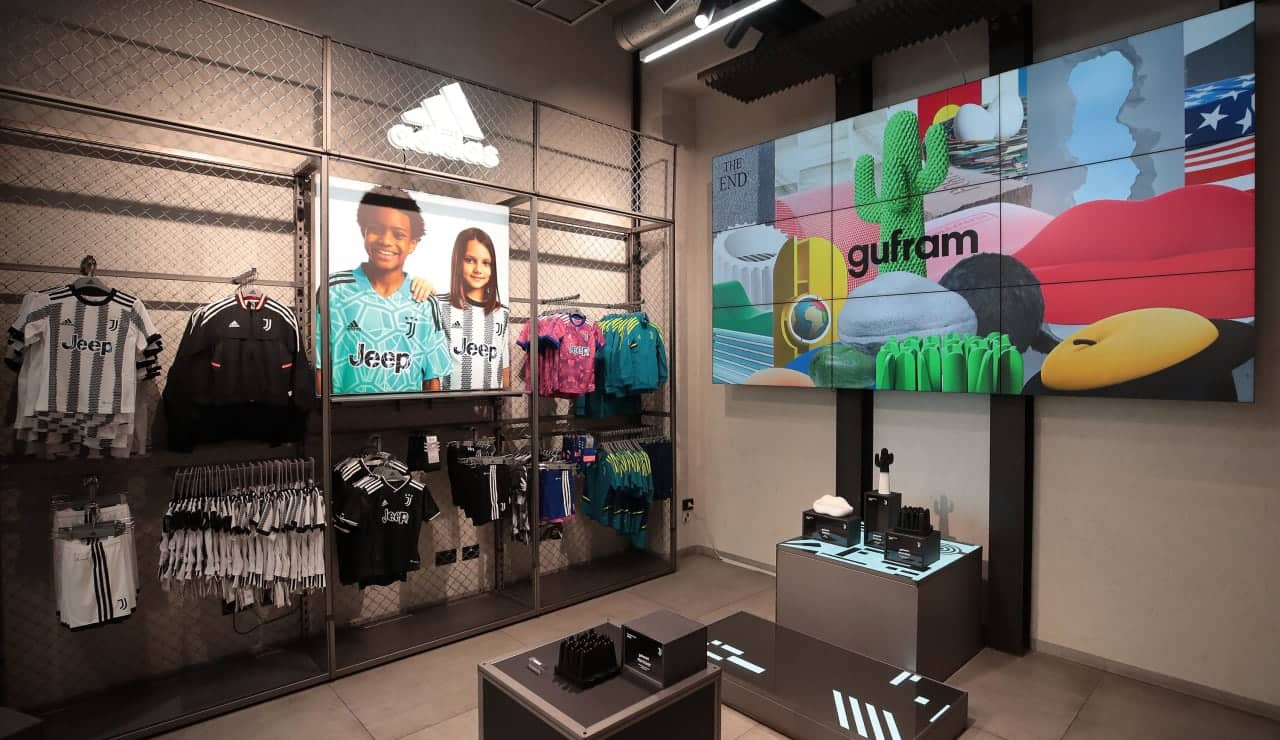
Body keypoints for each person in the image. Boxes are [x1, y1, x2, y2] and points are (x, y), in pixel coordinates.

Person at [322, 186, 452, 394]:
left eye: (398, 234)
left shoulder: (425, 303)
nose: (386, 241)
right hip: (346, 413)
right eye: (376, 229)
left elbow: (432, 380)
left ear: (412, 244)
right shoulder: (334, 292)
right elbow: (321, 370)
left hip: (404, 414)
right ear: (363, 231)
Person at [439, 227, 510, 390]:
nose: (478, 269)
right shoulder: (439, 306)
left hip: (489, 402)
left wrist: (503, 397)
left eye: (486, 263)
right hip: (448, 402)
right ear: (458, 261)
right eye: (470, 260)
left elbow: (504, 366)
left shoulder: (502, 313)